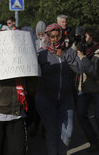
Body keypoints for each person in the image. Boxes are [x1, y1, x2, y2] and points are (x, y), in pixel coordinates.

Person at [35, 23, 89, 155]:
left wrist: (65, 55)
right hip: (46, 99)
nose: (55, 39)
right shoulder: (42, 54)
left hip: (66, 98)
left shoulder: (69, 51)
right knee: (52, 132)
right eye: (52, 36)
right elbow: (35, 75)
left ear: (61, 35)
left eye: (57, 35)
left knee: (68, 132)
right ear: (47, 37)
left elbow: (80, 69)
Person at [76, 26, 99, 153]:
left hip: (96, 90)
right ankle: (93, 140)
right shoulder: (85, 49)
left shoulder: (97, 52)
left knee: (97, 117)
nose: (85, 38)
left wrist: (83, 58)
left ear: (93, 37)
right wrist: (76, 46)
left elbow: (94, 73)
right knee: (80, 115)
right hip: (84, 88)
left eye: (86, 36)